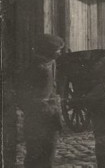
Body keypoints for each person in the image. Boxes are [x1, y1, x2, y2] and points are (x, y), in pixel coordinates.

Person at [18, 34, 65, 168]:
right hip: (37, 118)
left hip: (51, 117)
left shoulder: (52, 63)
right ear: (49, 50)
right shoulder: (36, 68)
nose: (60, 53)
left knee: (48, 154)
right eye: (58, 50)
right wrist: (41, 104)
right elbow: (23, 95)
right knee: (35, 154)